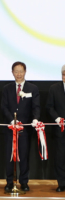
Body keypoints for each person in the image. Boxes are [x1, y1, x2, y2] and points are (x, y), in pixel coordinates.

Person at [1, 61, 40, 191]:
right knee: (9, 157)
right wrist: (11, 121)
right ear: (12, 73)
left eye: (21, 71)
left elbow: (36, 107)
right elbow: (4, 107)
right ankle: (9, 182)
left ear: (25, 72)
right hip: (10, 129)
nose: (18, 74)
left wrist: (35, 119)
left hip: (25, 129)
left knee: (24, 156)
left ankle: (24, 182)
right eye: (16, 71)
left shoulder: (32, 88)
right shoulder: (7, 88)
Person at [46, 64, 65, 192]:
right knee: (60, 158)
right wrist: (57, 118)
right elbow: (49, 107)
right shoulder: (54, 88)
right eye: (64, 74)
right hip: (60, 130)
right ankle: (62, 183)